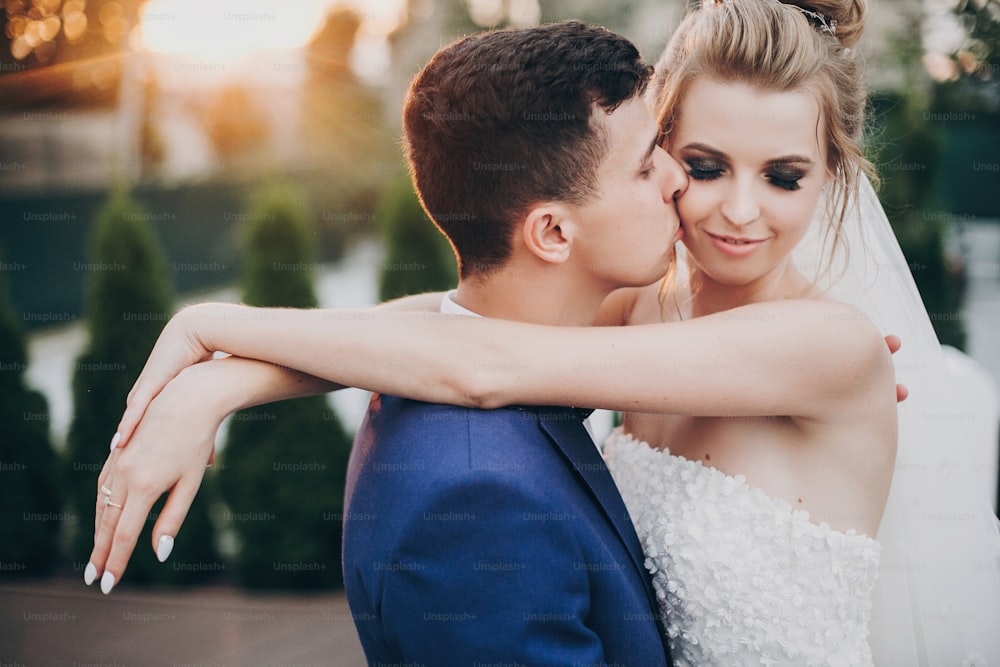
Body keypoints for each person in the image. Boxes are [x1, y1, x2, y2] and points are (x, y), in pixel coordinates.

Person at [88, 2, 999, 664]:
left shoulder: (828, 348)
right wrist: (228, 379)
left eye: (786, 176)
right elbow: (457, 324)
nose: (734, 211)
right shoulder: (650, 309)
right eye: (701, 164)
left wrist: (213, 324)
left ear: (835, 174)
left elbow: (485, 363)